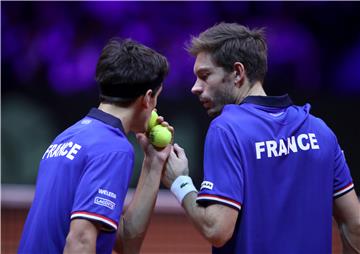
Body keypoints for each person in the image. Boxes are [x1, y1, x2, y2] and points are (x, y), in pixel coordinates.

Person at [162, 22, 360, 254]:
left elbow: (217, 229)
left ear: (237, 73)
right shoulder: (319, 130)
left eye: (205, 75)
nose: (195, 87)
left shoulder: (227, 128)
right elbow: (354, 224)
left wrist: (180, 183)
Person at [18, 38, 173, 254]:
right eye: (157, 96)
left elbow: (125, 243)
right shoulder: (114, 148)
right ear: (148, 98)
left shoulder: (67, 137)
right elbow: (81, 240)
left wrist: (153, 163)